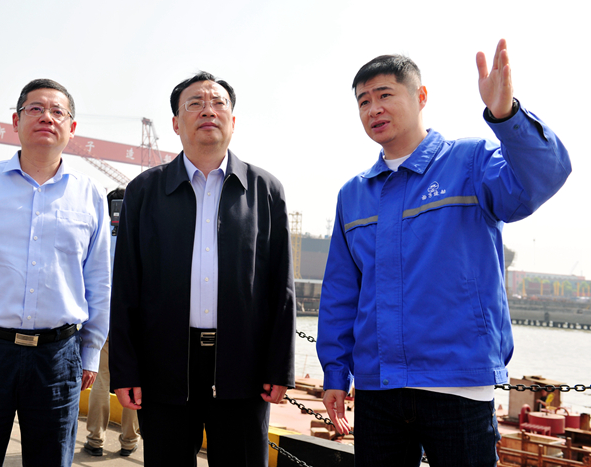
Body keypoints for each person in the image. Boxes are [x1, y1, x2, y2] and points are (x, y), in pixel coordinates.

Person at [317, 39, 571, 466]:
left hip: (458, 387)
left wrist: (507, 116)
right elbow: (341, 292)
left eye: (384, 95)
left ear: (421, 96)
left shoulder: (470, 163)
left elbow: (543, 177)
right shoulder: (354, 194)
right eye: (363, 101)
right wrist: (335, 372)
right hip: (379, 390)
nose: (373, 109)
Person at [109, 71, 296, 467]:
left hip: (242, 368)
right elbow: (126, 285)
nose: (208, 110)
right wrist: (126, 370)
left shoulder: (265, 190)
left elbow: (281, 288)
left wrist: (280, 367)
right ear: (176, 123)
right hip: (164, 367)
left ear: (233, 120)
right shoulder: (144, 191)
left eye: (218, 103)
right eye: (195, 103)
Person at [0, 79, 111, 467]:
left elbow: (99, 279)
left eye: (57, 111)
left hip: (58, 357)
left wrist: (91, 351)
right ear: (16, 121)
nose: (47, 117)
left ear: (72, 127)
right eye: (35, 109)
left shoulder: (90, 194)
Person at [83, 187, 140, 457]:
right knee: (134, 379)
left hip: (102, 318)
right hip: (134, 321)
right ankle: (129, 441)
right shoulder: (140, 233)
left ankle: (95, 439)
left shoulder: (99, 234)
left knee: (101, 379)